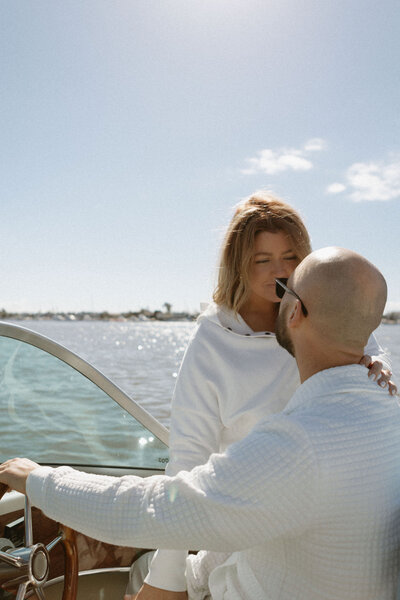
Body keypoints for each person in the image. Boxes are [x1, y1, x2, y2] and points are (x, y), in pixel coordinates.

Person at [2, 247, 400, 600]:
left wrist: (38, 479)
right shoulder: (387, 406)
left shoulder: (299, 445)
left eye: (285, 290)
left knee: (144, 575)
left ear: (295, 311)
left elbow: (151, 510)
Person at [125, 192, 395, 599]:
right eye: (261, 260)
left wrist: (382, 367)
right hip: (244, 518)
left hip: (322, 526)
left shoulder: (321, 311)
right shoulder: (212, 341)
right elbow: (187, 461)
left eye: (290, 257)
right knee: (147, 573)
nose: (280, 271)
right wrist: (167, 579)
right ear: (238, 265)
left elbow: (368, 358)